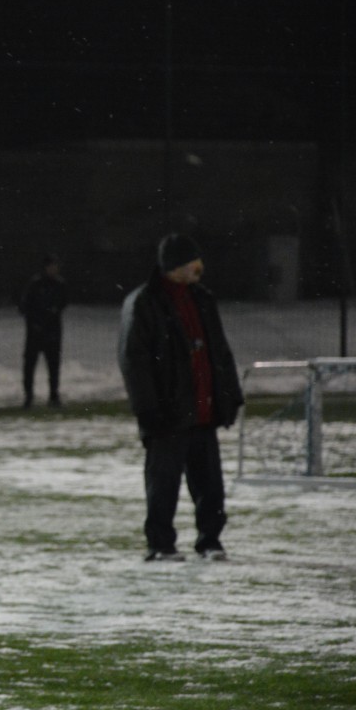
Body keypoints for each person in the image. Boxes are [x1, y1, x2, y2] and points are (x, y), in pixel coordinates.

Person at [117, 233, 244, 562]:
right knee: (163, 481)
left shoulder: (202, 299)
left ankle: (210, 540)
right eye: (192, 261)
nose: (199, 267)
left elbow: (219, 351)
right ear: (175, 266)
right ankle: (160, 544)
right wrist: (148, 409)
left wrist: (229, 395)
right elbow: (134, 362)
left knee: (210, 482)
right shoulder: (145, 303)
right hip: (167, 412)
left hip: (202, 409)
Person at [19, 254, 68, 408]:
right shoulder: (35, 285)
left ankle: (53, 394)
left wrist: (53, 312)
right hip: (36, 331)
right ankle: (28, 395)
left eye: (56, 266)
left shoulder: (59, 284)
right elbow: (25, 306)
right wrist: (35, 321)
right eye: (52, 266)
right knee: (30, 364)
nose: (54, 269)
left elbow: (63, 303)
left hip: (52, 331)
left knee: (53, 364)